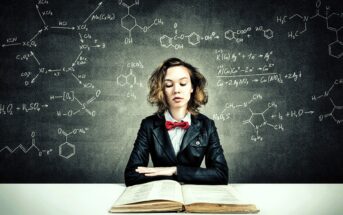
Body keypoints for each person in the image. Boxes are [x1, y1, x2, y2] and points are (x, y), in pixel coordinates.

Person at [124, 57, 228, 186]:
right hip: (162, 196)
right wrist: (175, 178)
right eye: (168, 85)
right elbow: (131, 175)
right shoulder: (148, 125)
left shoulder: (207, 125)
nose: (176, 90)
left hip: (194, 196)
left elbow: (221, 175)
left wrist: (175, 170)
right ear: (161, 90)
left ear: (192, 88)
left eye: (183, 84)